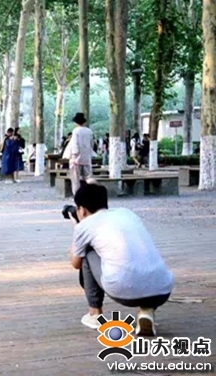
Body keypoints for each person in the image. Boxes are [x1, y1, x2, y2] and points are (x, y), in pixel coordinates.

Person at [69, 184, 173, 336]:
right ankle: (147, 311)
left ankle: (94, 313)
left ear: (82, 210)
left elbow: (76, 263)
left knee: (87, 253)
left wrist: (77, 229)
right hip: (162, 289)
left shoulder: (85, 226)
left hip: (123, 290)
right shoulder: (127, 213)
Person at [68, 113, 94, 196]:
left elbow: (75, 144)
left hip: (76, 158)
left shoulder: (76, 131)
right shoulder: (89, 131)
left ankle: (77, 195)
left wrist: (74, 156)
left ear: (76, 122)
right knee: (88, 177)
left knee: (75, 178)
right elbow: (92, 144)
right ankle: (90, 194)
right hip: (87, 157)